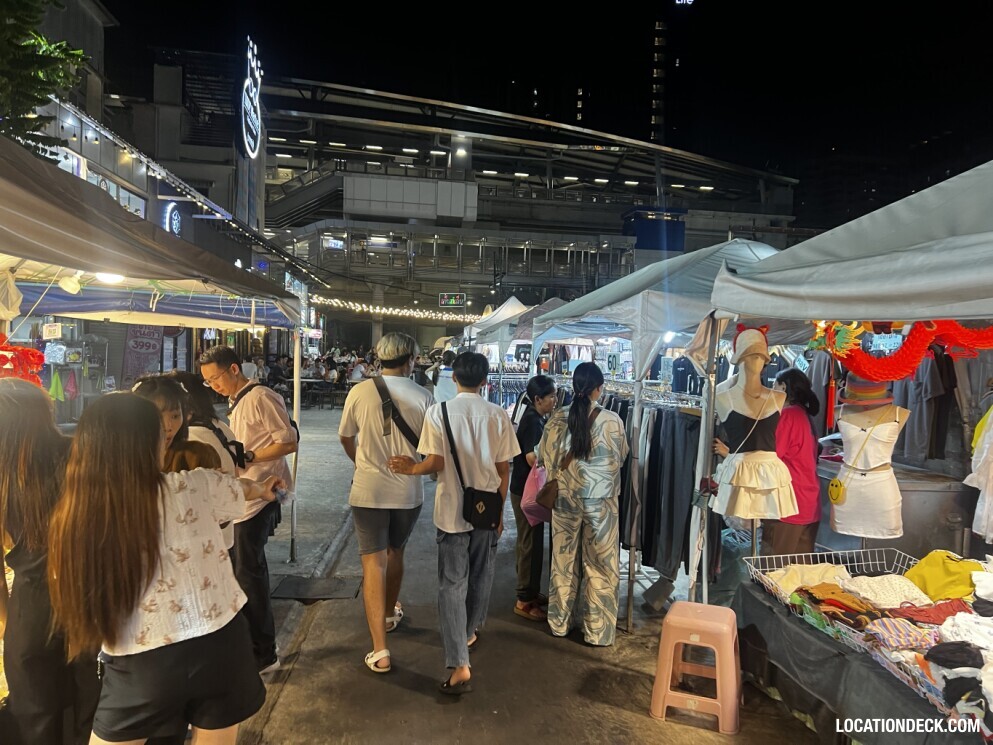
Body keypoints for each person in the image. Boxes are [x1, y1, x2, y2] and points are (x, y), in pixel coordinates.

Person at [47, 393, 282, 744]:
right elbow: (241, 488)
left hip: (141, 659)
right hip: (221, 642)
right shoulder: (194, 485)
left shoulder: (77, 514)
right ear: (150, 442)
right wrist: (262, 489)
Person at [389, 352, 520, 694]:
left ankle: (460, 663)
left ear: (454, 378)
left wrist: (410, 468)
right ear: (485, 380)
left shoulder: (439, 412)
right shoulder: (498, 415)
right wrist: (500, 513)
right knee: (481, 576)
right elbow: (505, 470)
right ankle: (469, 632)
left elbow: (433, 462)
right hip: (487, 512)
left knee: (452, 585)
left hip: (451, 512)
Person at [0, 379, 99, 745]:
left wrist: (10, 623)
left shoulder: (4, 472)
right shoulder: (78, 453)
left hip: (31, 602)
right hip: (87, 593)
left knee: (35, 709)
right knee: (91, 697)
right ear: (45, 413)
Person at [338, 333, 434, 674]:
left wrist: (361, 463)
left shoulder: (359, 390)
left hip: (368, 491)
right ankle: (391, 613)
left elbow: (345, 437)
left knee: (371, 564)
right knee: (396, 552)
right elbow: (430, 448)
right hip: (408, 492)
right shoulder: (424, 396)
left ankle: (380, 650)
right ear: (409, 359)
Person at [200, 346, 298, 674]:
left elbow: (288, 441)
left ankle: (264, 652)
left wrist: (251, 457)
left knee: (249, 573)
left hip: (260, 496)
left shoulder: (260, 397)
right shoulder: (236, 400)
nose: (214, 385)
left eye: (216, 378)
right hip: (244, 496)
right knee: (246, 570)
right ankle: (254, 645)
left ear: (233, 369)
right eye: (208, 382)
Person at [538, 362, 629, 647]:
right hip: (601, 503)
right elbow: (622, 457)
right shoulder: (612, 420)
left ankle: (559, 623)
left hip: (564, 499)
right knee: (600, 564)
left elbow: (543, 457)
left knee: (563, 562)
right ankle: (597, 631)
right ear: (599, 389)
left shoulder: (556, 419)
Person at [756, 368, 823, 554]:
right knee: (799, 574)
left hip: (788, 505)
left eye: (773, 385)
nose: (770, 390)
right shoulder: (804, 416)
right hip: (808, 503)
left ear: (783, 387)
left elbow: (770, 457)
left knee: (774, 572)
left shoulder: (788, 415)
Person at [509, 375, 557, 621]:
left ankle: (529, 591)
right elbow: (531, 457)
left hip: (522, 488)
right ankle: (524, 599)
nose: (554, 400)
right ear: (538, 399)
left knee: (531, 541)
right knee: (529, 543)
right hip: (525, 491)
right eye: (551, 397)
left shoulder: (531, 415)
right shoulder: (533, 420)